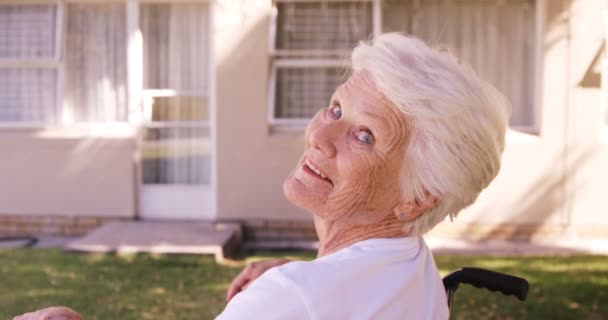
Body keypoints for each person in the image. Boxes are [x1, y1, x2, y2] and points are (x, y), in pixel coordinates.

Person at [14, 32, 510, 320]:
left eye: (365, 136)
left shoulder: (292, 301)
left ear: (417, 198)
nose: (320, 134)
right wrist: (306, 273)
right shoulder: (411, 266)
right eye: (336, 107)